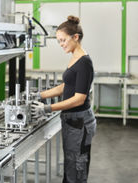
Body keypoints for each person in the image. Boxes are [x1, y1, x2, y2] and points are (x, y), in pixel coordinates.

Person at [30, 15, 96, 183]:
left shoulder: (84, 63)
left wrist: (47, 108)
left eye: (63, 40)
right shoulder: (74, 57)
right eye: (59, 41)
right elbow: (66, 86)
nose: (61, 45)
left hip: (79, 122)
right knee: (71, 165)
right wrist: (40, 95)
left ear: (76, 37)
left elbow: (79, 98)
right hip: (72, 121)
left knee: (76, 168)